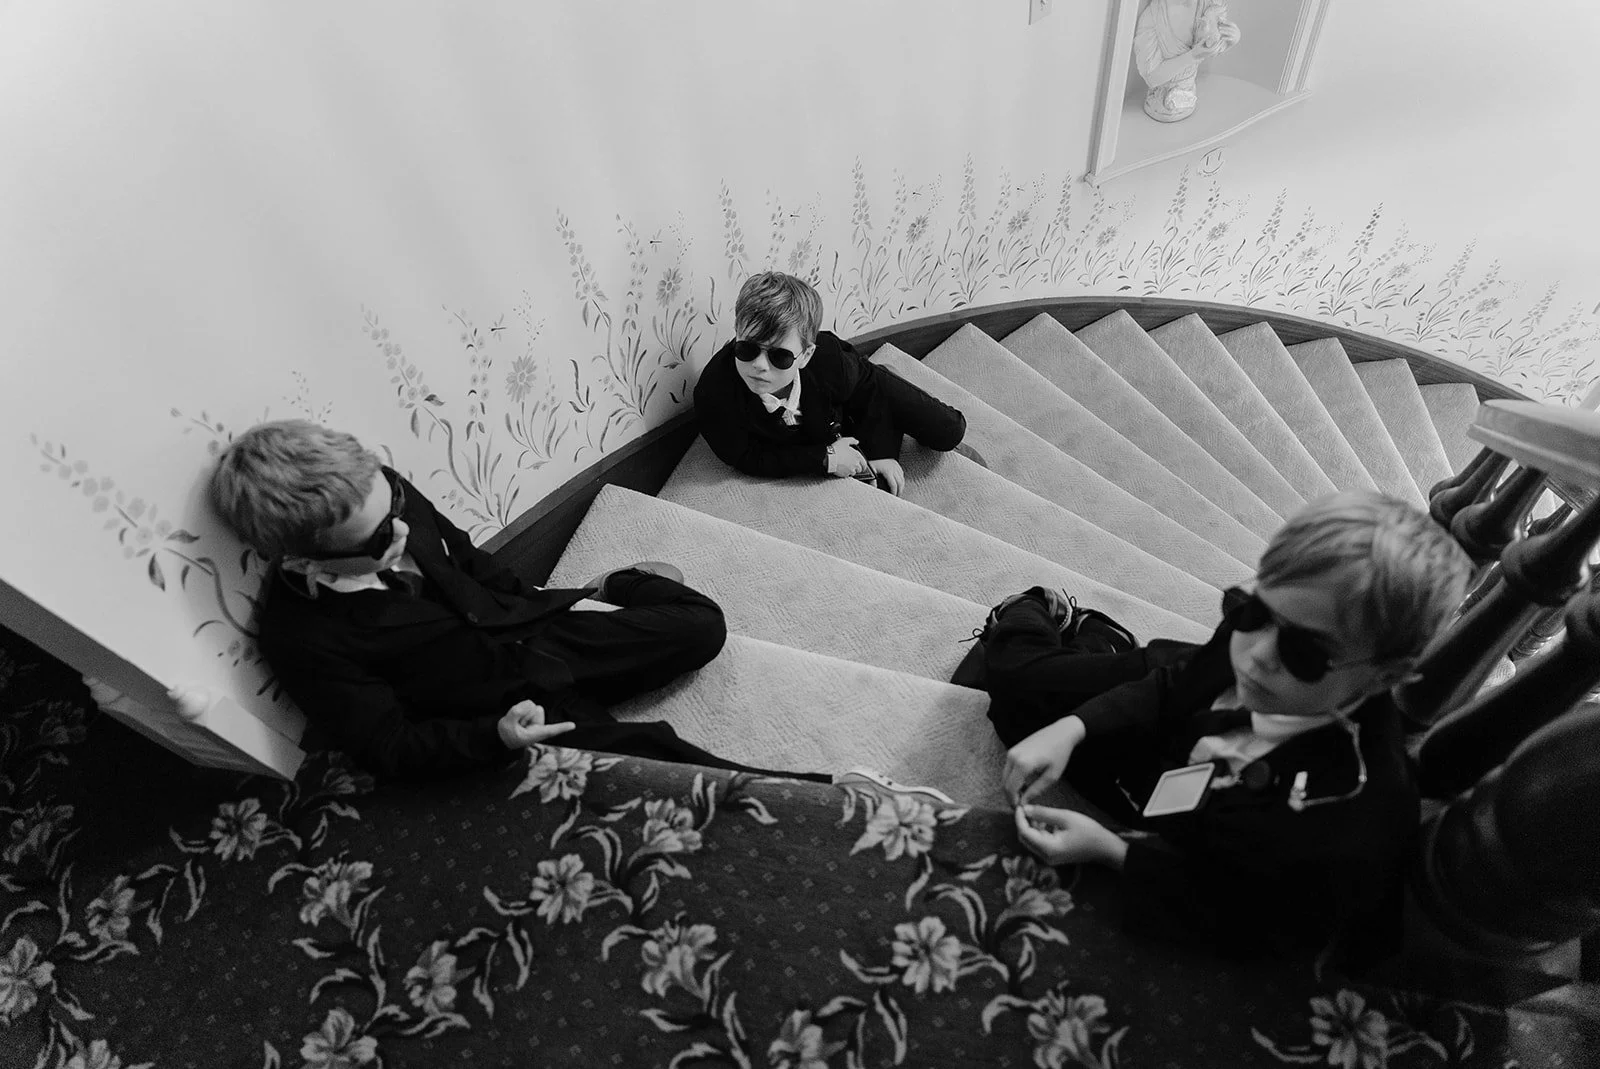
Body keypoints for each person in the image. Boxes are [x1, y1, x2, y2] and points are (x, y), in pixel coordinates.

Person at [968, 491, 1472, 966]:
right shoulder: (1254, 645)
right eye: (1251, 610)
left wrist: (1113, 852)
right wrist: (1075, 728)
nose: (1255, 655)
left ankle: (1094, 644)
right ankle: (1062, 620)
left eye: (1305, 652)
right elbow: (1174, 682)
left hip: (1193, 813)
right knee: (1019, 697)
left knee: (1012, 705)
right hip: (1175, 730)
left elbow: (1255, 921)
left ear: (1384, 676)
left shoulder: (1349, 817)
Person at [209, 419, 837, 784]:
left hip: (535, 632)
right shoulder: (304, 637)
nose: (400, 531)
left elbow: (471, 561)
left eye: (393, 504)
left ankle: (615, 583)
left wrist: (550, 601)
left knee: (703, 629)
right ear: (301, 554)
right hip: (509, 706)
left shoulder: (384, 492)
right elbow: (389, 746)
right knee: (666, 762)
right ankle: (826, 795)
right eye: (376, 540)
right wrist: (495, 736)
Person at [693, 271, 969, 496]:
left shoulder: (828, 358)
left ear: (806, 354)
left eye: (780, 356)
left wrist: (881, 452)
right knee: (876, 491)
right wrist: (826, 458)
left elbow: (870, 389)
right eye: (747, 349)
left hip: (857, 387)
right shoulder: (713, 395)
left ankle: (889, 378)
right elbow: (747, 458)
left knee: (949, 431)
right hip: (825, 429)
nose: (760, 366)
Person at [1133, 0, 1241, 123]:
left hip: (1189, 91)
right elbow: (1151, 77)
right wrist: (1192, 56)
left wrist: (1230, 38)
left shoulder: (1209, 5)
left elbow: (1213, 44)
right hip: (1159, 101)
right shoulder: (1151, 18)